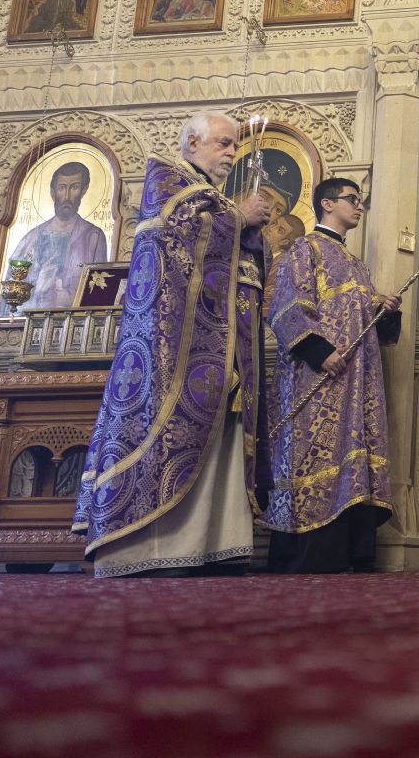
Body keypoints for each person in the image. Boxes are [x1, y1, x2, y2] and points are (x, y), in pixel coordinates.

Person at [72, 111, 272, 577]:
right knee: (170, 433)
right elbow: (178, 234)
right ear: (193, 142)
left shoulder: (212, 198)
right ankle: (151, 550)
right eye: (224, 143)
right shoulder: (168, 180)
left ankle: (213, 546)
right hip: (173, 351)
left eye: (235, 145)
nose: (232, 153)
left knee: (219, 439)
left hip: (222, 345)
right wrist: (238, 217)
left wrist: (247, 230)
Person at [265, 178, 401, 573]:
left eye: (361, 200)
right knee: (313, 453)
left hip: (356, 381)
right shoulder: (304, 249)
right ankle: (311, 554)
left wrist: (384, 309)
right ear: (327, 203)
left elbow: (366, 325)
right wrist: (319, 352)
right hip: (318, 375)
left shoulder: (356, 264)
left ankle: (350, 551)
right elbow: (287, 307)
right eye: (352, 199)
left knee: (351, 455)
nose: (359, 207)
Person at [0, 161, 108, 313]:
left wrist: (67, 298)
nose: (67, 196)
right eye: (62, 188)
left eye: (74, 187)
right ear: (53, 192)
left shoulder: (93, 237)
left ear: (83, 191)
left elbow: (99, 294)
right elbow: (9, 298)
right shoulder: (31, 239)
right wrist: (39, 286)